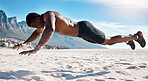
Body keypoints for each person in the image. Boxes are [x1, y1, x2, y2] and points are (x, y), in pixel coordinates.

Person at [12, 11, 146, 55]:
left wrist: (37, 48)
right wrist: (24, 43)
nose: (37, 27)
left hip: (84, 28)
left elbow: (50, 30)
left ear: (37, 18)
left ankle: (136, 36)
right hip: (82, 34)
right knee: (108, 43)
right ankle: (127, 39)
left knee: (108, 40)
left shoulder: (48, 15)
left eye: (36, 25)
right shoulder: (42, 22)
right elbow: (37, 33)